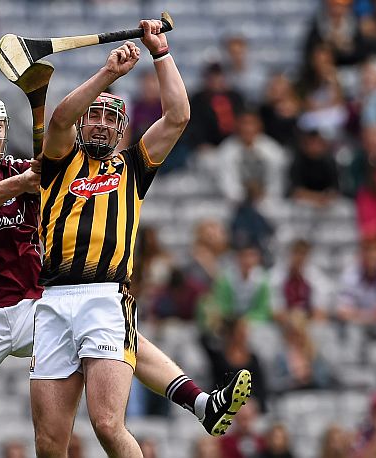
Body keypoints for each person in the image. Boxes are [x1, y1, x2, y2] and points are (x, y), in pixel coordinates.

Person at [0, 80, 247, 458]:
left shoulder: (24, 167)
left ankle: (198, 401)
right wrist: (20, 184)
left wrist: (40, 177)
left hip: (34, 306)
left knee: (116, 333)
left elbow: (62, 155)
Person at [30, 22, 249, 458]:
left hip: (105, 298)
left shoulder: (133, 166)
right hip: (52, 300)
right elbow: (59, 117)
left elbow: (179, 116)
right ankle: (201, 402)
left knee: (108, 424)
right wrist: (107, 75)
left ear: (121, 131)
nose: (97, 125)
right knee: (49, 442)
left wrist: (161, 53)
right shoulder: (57, 162)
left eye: (108, 119)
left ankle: (199, 403)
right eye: (92, 116)